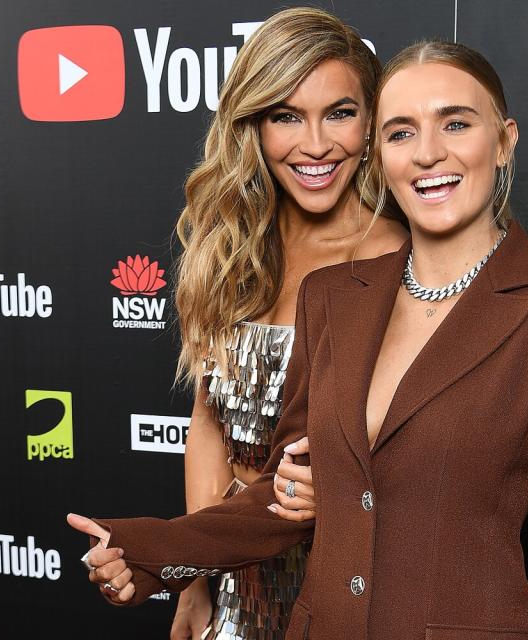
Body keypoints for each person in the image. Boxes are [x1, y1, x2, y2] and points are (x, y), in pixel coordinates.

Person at [69, 39, 528, 640]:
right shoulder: (334, 296)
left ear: (504, 141)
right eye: (401, 132)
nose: (429, 153)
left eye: (456, 123)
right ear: (380, 155)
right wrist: (149, 552)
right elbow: (283, 495)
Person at [122, 8, 406, 640]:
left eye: (339, 112)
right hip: (237, 579)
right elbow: (208, 427)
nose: (314, 144)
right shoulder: (231, 251)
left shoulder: (398, 260)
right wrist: (193, 581)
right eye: (285, 116)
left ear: (372, 122)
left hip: (343, 579)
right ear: (252, 124)